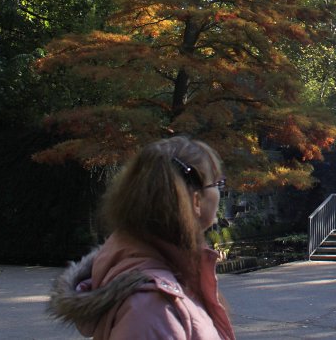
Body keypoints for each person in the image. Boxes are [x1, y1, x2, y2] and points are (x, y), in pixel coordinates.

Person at [48, 137, 236, 340]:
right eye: (217, 183)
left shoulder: (171, 277)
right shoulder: (151, 309)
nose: (220, 191)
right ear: (196, 200)